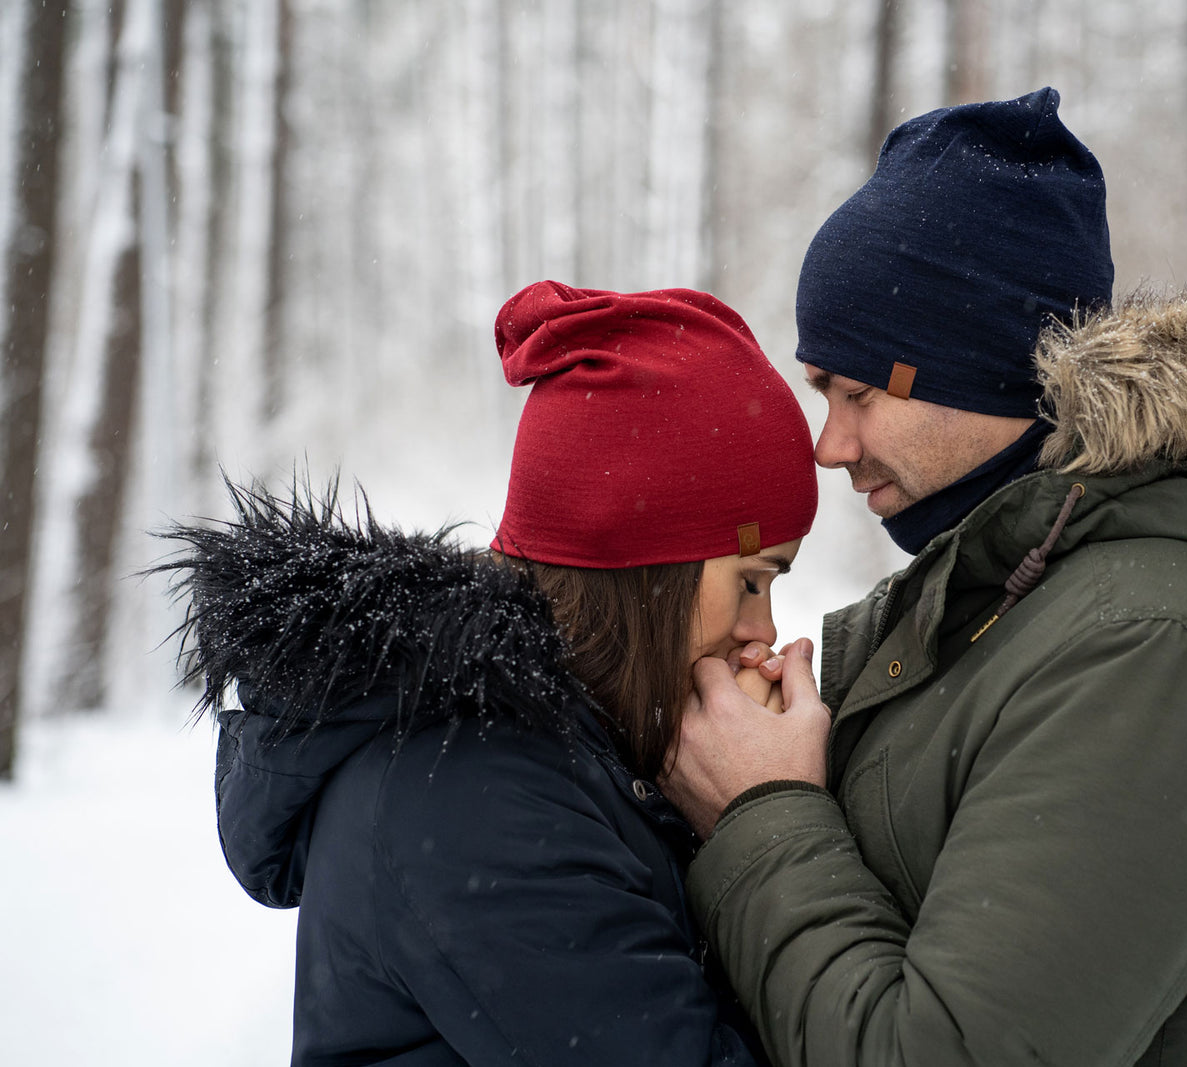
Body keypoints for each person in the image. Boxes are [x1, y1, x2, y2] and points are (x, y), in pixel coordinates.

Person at [660, 87, 1187, 1066]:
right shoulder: (999, 591)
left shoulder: (1158, 653)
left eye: (860, 391)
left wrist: (759, 813)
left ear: (982, 367)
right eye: (822, 392)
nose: (829, 444)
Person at [158, 282, 818, 1066]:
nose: (763, 630)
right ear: (647, 566)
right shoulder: (474, 793)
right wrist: (769, 819)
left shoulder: (552, 748)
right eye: (752, 581)